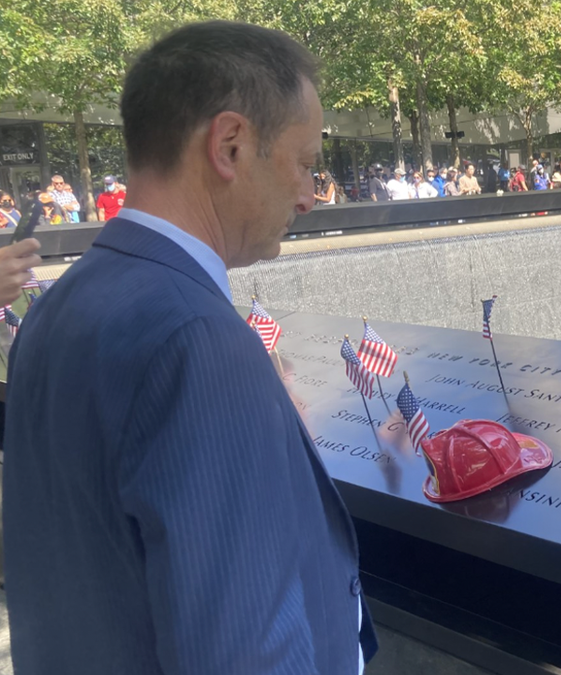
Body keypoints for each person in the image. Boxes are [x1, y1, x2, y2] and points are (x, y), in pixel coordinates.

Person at [2, 21, 377, 674]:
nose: (309, 196)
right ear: (230, 144)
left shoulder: (55, 307)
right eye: (306, 163)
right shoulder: (200, 342)